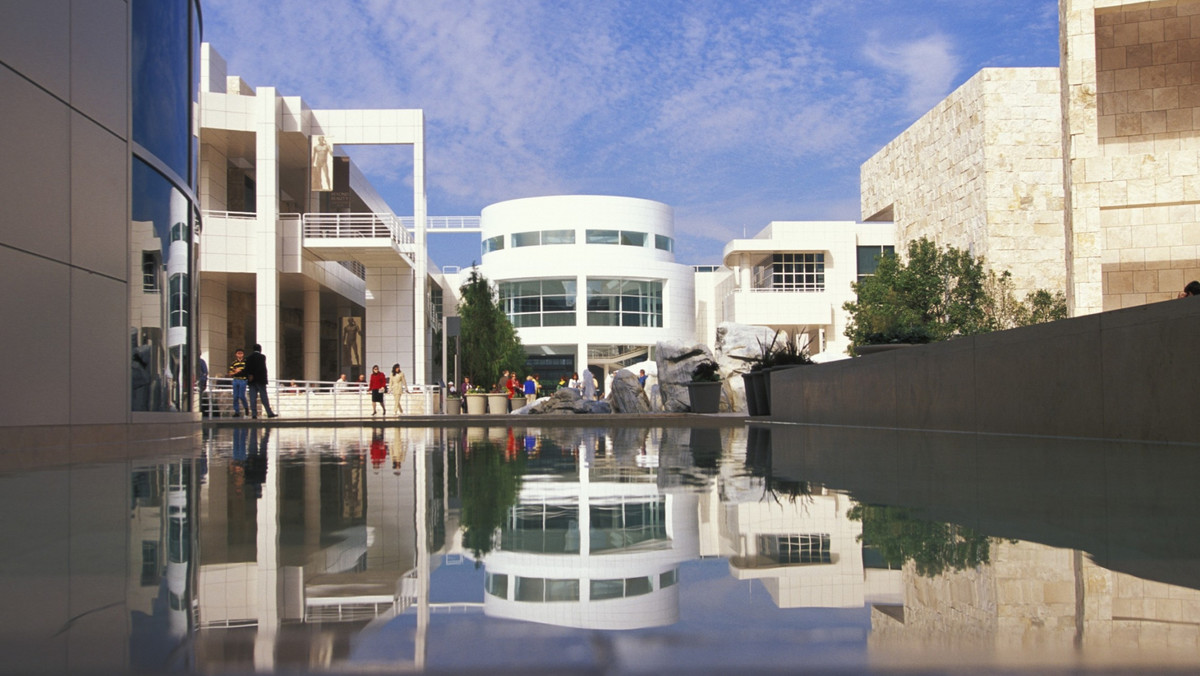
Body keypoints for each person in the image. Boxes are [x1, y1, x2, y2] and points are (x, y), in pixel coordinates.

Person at [244, 344, 278, 419]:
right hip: (260, 380)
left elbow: (246, 369)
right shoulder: (262, 357)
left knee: (253, 397)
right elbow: (262, 369)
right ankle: (269, 412)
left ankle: (254, 414)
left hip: (251, 380)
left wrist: (250, 375)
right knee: (263, 396)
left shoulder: (248, 358)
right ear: (260, 349)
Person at [228, 348, 250, 417]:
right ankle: (237, 411)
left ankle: (246, 408)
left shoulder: (246, 362)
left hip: (243, 380)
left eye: (241, 353)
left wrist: (240, 370)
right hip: (235, 380)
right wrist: (235, 371)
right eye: (238, 353)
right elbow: (230, 373)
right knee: (235, 396)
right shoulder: (233, 363)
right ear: (236, 354)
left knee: (241, 395)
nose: (240, 355)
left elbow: (247, 371)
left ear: (243, 354)